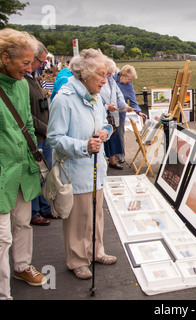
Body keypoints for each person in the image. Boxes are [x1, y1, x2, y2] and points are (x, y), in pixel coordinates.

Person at [47, 48, 116, 280]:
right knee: (78, 219)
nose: (105, 81)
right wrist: (83, 146)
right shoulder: (64, 99)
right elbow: (54, 138)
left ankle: (96, 251)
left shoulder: (95, 97)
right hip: (75, 171)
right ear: (84, 73)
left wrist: (105, 132)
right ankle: (77, 260)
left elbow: (105, 124)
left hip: (96, 170)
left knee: (96, 215)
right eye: (101, 75)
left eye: (106, 75)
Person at [0, 28, 46, 300]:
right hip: (2, 173)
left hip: (22, 169)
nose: (31, 68)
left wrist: (33, 158)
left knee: (23, 222)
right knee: (2, 237)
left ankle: (21, 266)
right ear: (5, 57)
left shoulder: (20, 84)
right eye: (26, 63)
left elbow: (27, 122)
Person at [25, 41, 54, 226]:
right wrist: (46, 128)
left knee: (46, 174)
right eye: (40, 61)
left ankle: (44, 208)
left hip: (43, 134)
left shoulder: (32, 78)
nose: (41, 65)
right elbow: (27, 115)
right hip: (37, 136)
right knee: (37, 176)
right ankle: (35, 211)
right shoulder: (24, 81)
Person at [114, 64, 147, 164]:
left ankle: (120, 156)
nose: (130, 81)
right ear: (123, 74)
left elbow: (133, 99)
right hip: (108, 113)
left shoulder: (128, 85)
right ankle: (110, 156)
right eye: (129, 79)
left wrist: (138, 111)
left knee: (120, 135)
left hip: (120, 114)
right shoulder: (111, 79)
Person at [100, 59, 129, 170]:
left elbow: (119, 95)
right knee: (104, 139)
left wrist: (124, 105)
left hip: (113, 115)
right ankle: (103, 162)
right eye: (108, 73)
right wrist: (107, 106)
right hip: (104, 114)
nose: (110, 75)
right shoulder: (100, 80)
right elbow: (96, 99)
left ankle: (112, 161)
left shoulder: (111, 80)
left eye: (111, 73)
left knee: (112, 137)